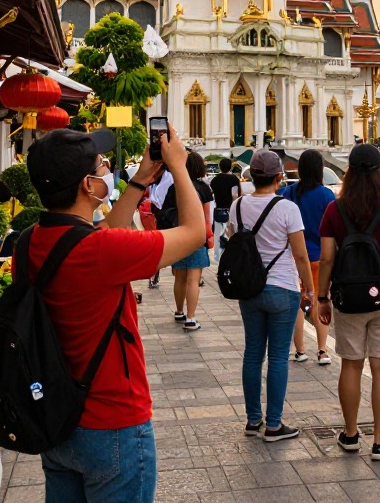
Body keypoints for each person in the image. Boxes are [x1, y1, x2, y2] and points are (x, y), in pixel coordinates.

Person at [22, 123, 204, 502]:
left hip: (58, 420)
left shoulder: (31, 241)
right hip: (112, 422)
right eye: (102, 166)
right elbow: (193, 232)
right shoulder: (101, 251)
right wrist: (180, 167)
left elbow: (101, 231)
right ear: (88, 186)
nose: (106, 170)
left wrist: (138, 181)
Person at [317, 143, 380, 461]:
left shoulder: (335, 209)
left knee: (351, 364)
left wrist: (321, 298)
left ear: (348, 171)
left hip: (347, 297)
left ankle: (350, 435)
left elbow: (327, 259)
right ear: (379, 171)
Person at [227, 149, 315, 441]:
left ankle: (253, 421)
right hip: (282, 287)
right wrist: (310, 289)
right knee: (278, 356)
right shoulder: (287, 208)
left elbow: (232, 238)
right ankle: (274, 424)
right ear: (279, 177)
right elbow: (301, 255)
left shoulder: (237, 206)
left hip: (249, 287)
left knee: (253, 353)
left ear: (252, 176)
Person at [280, 150, 336, 366]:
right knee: (321, 301)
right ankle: (322, 351)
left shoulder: (287, 193)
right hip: (320, 258)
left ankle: (300, 350)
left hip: (293, 257)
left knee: (298, 304)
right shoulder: (327, 195)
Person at [167, 151, 215, 331]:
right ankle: (191, 317)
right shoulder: (203, 188)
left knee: (179, 278)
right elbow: (206, 216)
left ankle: (179, 311)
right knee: (193, 280)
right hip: (196, 236)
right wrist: (208, 236)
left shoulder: (174, 187)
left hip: (178, 236)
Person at [209, 158, 241, 263]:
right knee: (230, 236)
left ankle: (218, 259)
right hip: (230, 211)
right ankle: (231, 258)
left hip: (218, 210)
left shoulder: (214, 180)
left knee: (218, 236)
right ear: (230, 167)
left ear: (220, 167)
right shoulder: (234, 180)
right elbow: (234, 195)